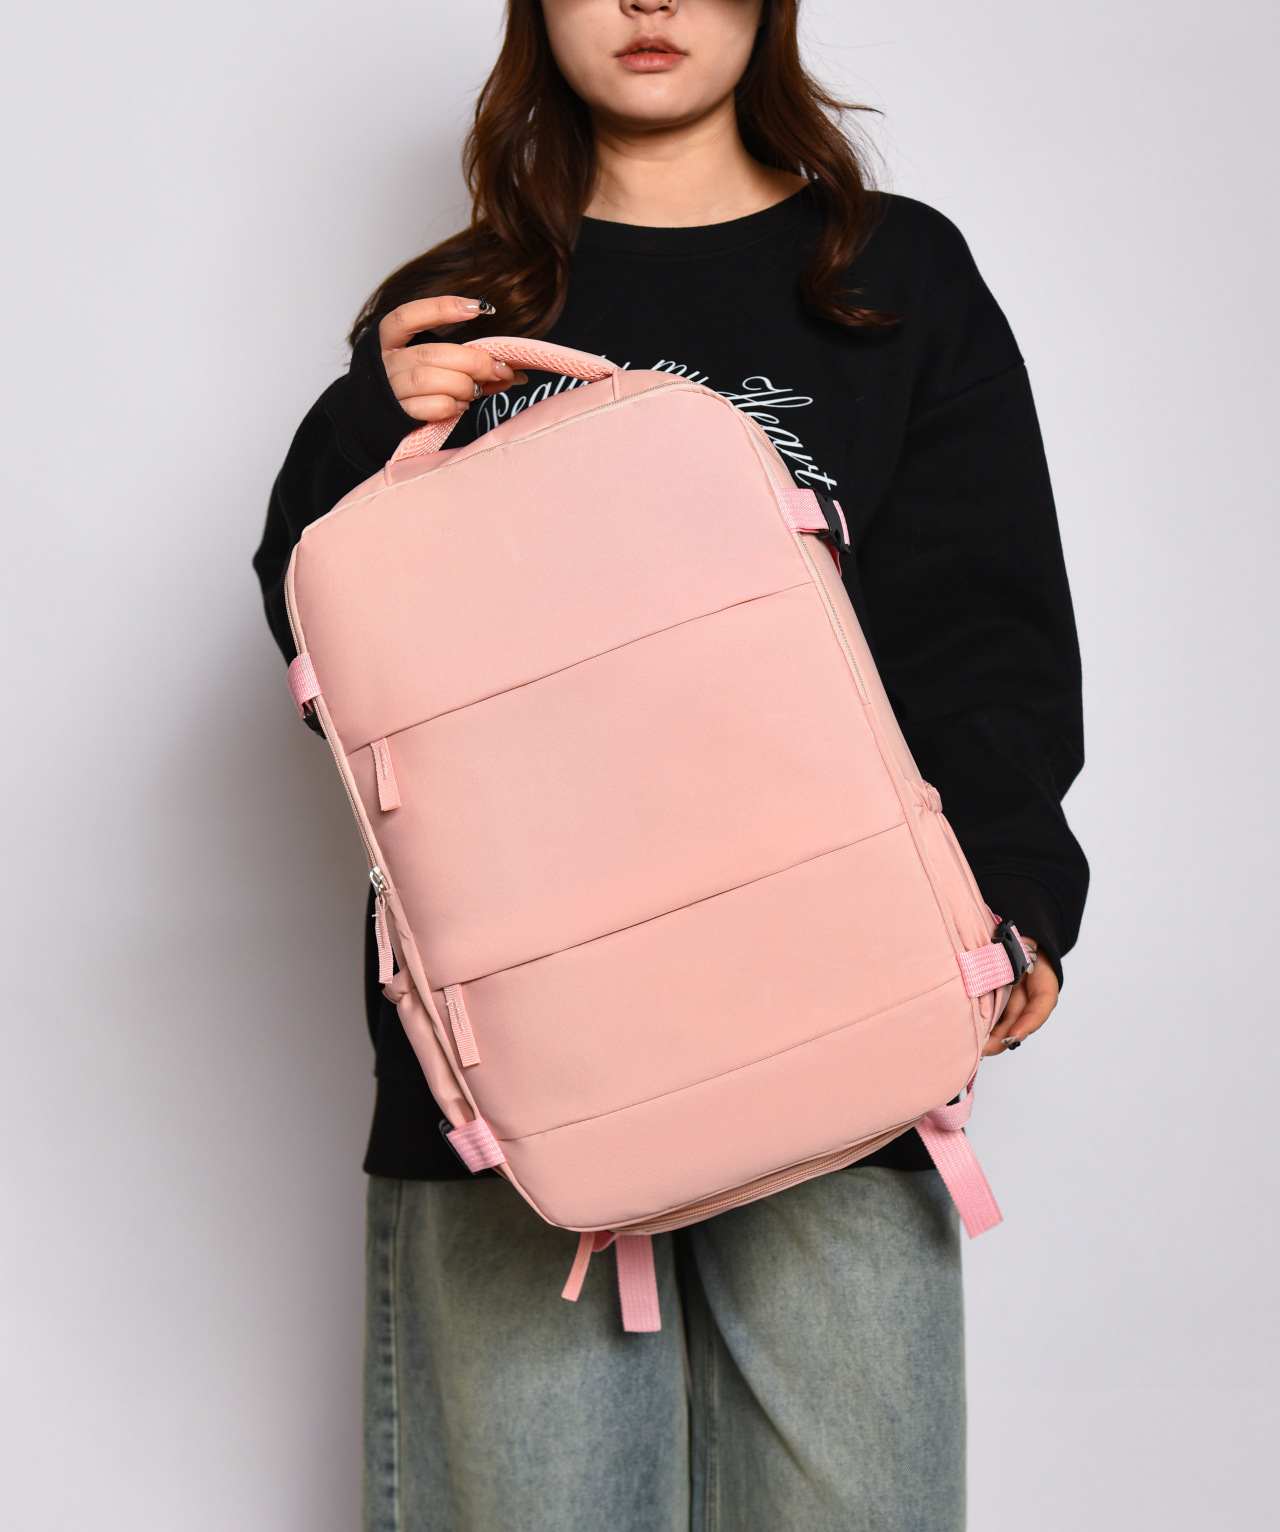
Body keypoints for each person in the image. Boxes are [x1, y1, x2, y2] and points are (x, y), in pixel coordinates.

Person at [253, 2, 1087, 1527]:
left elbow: (985, 628)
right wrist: (371, 422)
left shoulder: (889, 276)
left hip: (840, 1000)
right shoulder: (453, 312)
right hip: (523, 1058)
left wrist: (1020, 898)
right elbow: (339, 670)